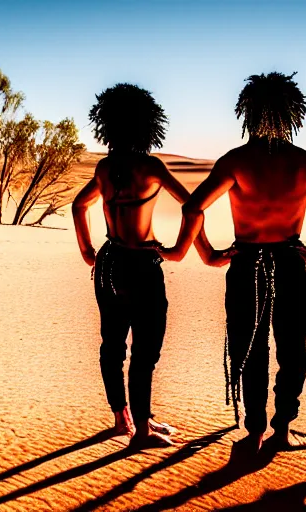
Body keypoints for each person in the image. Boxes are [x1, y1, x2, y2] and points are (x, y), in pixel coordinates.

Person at [160, 72, 306, 454]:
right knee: (291, 350)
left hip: (245, 261)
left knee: (250, 348)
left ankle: (255, 430)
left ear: (247, 112)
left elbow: (193, 207)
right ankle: (282, 426)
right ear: (290, 114)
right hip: (289, 260)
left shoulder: (235, 161)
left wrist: (208, 253)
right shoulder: (304, 163)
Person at [72, 83, 188, 447]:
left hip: (109, 261)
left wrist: (89, 252)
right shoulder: (150, 167)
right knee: (145, 348)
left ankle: (127, 418)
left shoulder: (106, 168)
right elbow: (193, 204)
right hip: (141, 262)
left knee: (112, 343)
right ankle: (142, 431)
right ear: (146, 125)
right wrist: (179, 249)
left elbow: (78, 206)